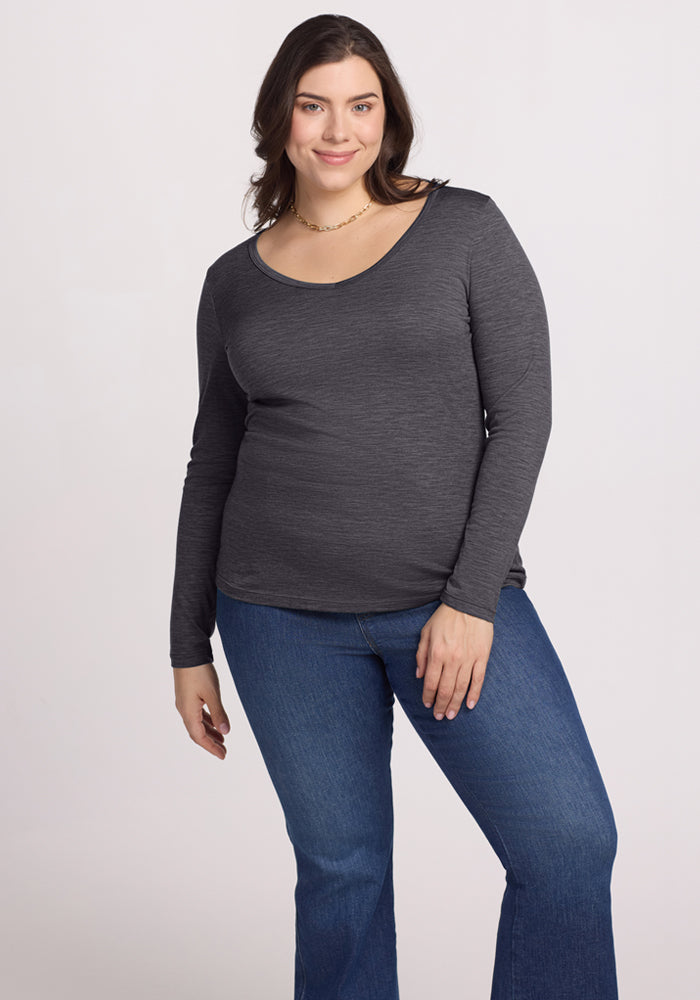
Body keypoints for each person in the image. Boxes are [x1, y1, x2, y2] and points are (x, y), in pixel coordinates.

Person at [169, 13, 618, 1000]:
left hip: (443, 601)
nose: (340, 130)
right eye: (315, 104)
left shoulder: (462, 228)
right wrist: (186, 641)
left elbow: (524, 414)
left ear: (388, 116)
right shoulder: (233, 283)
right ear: (279, 120)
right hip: (275, 616)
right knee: (341, 872)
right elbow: (214, 461)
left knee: (568, 844)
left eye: (361, 105)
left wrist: (469, 599)